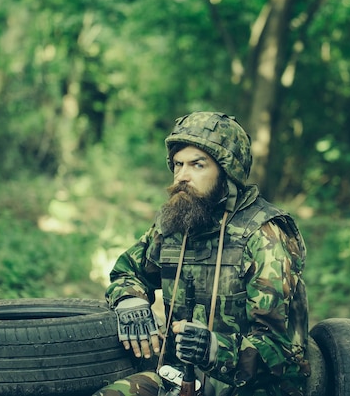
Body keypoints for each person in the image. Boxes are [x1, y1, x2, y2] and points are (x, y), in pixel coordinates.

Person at [93, 112, 309, 396]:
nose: (182, 176)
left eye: (197, 165)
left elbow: (283, 351)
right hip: (178, 379)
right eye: (178, 164)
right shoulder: (175, 221)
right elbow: (128, 271)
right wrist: (130, 300)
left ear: (227, 172)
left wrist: (214, 349)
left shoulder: (265, 234)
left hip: (251, 387)